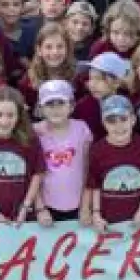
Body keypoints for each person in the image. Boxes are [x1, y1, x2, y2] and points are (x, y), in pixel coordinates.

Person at [0, 87, 44, 224]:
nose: (4, 121)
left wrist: (25, 207)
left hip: (23, 214)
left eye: (10, 115)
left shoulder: (30, 139)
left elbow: (37, 174)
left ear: (19, 116)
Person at [86, 94, 140, 229]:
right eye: (111, 121)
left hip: (137, 218)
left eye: (123, 119)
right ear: (103, 123)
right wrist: (96, 214)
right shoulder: (97, 150)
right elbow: (95, 184)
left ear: (133, 119)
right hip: (108, 218)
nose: (118, 126)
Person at [34, 79, 92, 223]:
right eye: (49, 104)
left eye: (61, 103)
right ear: (41, 108)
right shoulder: (35, 133)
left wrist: (86, 206)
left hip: (79, 207)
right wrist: (40, 208)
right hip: (47, 208)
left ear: (71, 106)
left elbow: (88, 170)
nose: (56, 109)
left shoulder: (82, 129)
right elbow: (32, 175)